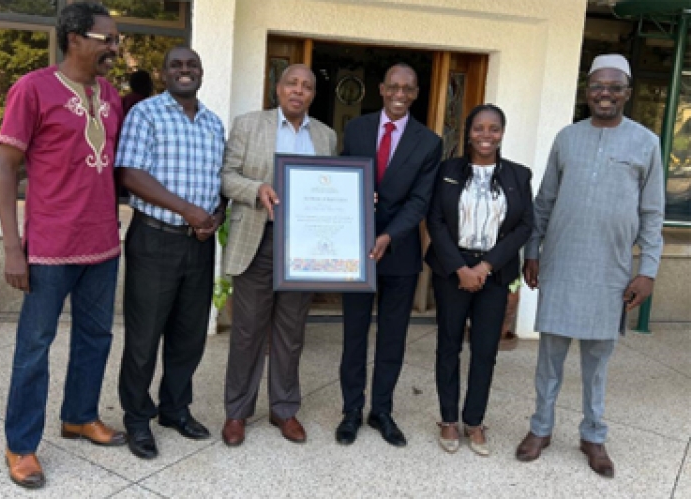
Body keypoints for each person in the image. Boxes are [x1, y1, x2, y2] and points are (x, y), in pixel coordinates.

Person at [0, 2, 125, 489]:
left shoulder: (109, 94)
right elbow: (6, 168)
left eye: (116, 39)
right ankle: (21, 444)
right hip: (48, 247)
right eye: (107, 39)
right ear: (75, 39)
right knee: (34, 348)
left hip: (102, 245)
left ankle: (79, 416)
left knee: (96, 338)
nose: (115, 47)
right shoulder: (32, 89)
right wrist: (13, 246)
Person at [515, 54, 664, 478]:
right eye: (598, 86)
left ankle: (593, 435)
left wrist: (648, 269)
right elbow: (543, 202)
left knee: (597, 363)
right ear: (587, 91)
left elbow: (652, 213)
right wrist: (532, 252)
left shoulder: (646, 142)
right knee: (549, 359)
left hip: (611, 271)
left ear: (627, 93)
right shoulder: (567, 137)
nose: (605, 93)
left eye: (615, 87)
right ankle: (540, 428)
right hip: (562, 266)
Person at [115, 46, 226, 460]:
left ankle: (175, 409)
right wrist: (189, 210)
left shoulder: (214, 124)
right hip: (155, 240)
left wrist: (214, 215)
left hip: (198, 244)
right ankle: (137, 418)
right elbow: (129, 174)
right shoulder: (145, 114)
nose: (184, 71)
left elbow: (219, 182)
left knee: (189, 335)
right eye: (176, 65)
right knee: (144, 338)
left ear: (201, 71)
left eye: (191, 65)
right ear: (164, 73)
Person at [220, 64, 337, 446]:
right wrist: (257, 189)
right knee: (247, 332)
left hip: (303, 248)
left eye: (306, 86)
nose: (298, 91)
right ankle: (237, 412)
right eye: (292, 83)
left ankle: (284, 409)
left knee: (291, 332)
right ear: (278, 88)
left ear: (313, 95)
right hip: (259, 239)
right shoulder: (248, 125)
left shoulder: (326, 136)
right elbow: (226, 176)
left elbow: (331, 189)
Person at [336, 63, 443, 447]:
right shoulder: (357, 129)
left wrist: (388, 235)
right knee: (353, 335)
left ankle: (381, 410)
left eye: (408, 89)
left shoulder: (429, 142)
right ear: (381, 89)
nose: (400, 94)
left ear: (416, 94)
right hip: (357, 250)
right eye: (393, 87)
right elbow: (345, 179)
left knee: (392, 338)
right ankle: (351, 410)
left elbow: (420, 201)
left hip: (399, 252)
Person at [425, 104, 533, 456]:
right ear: (468, 131)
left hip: (495, 273)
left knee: (485, 350)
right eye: (479, 128)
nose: (486, 135)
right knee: (449, 346)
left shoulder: (519, 175)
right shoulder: (446, 171)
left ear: (502, 133)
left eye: (494, 129)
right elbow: (436, 220)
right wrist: (460, 268)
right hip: (450, 270)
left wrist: (485, 267)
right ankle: (447, 420)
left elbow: (523, 227)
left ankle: (474, 420)